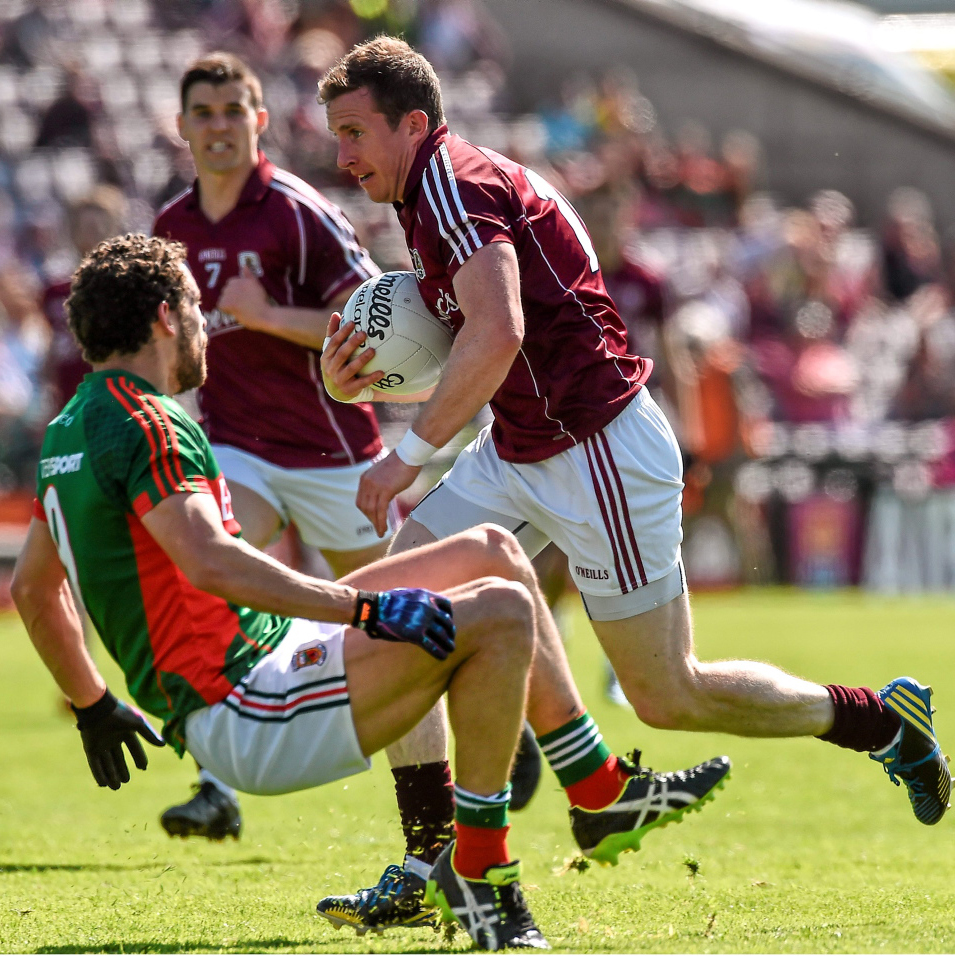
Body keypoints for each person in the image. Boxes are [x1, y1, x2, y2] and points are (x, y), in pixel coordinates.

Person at [314, 36, 952, 933]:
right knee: (404, 604)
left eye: (352, 132)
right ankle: (429, 864)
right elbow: (482, 339)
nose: (340, 155)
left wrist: (403, 453)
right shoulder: (440, 186)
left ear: (412, 125)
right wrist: (363, 378)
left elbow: (492, 334)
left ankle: (879, 722)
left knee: (669, 694)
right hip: (522, 441)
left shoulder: (452, 187)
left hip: (595, 452)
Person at [11, 234, 730, 952]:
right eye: (198, 313)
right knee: (503, 615)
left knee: (493, 551)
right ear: (168, 319)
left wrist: (94, 705)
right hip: (247, 706)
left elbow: (33, 590)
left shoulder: (71, 426)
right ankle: (480, 874)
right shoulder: (147, 421)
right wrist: (364, 609)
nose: (206, 330)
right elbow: (213, 564)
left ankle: (596, 789)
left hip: (249, 668)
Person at [151, 51, 393, 841]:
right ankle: (215, 780)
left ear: (259, 120)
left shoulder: (298, 210)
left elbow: (378, 325)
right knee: (209, 572)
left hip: (334, 453)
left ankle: (498, 726)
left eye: (233, 111)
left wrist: (266, 317)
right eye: (203, 114)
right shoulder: (171, 229)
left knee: (393, 609)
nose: (218, 126)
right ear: (183, 128)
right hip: (237, 449)